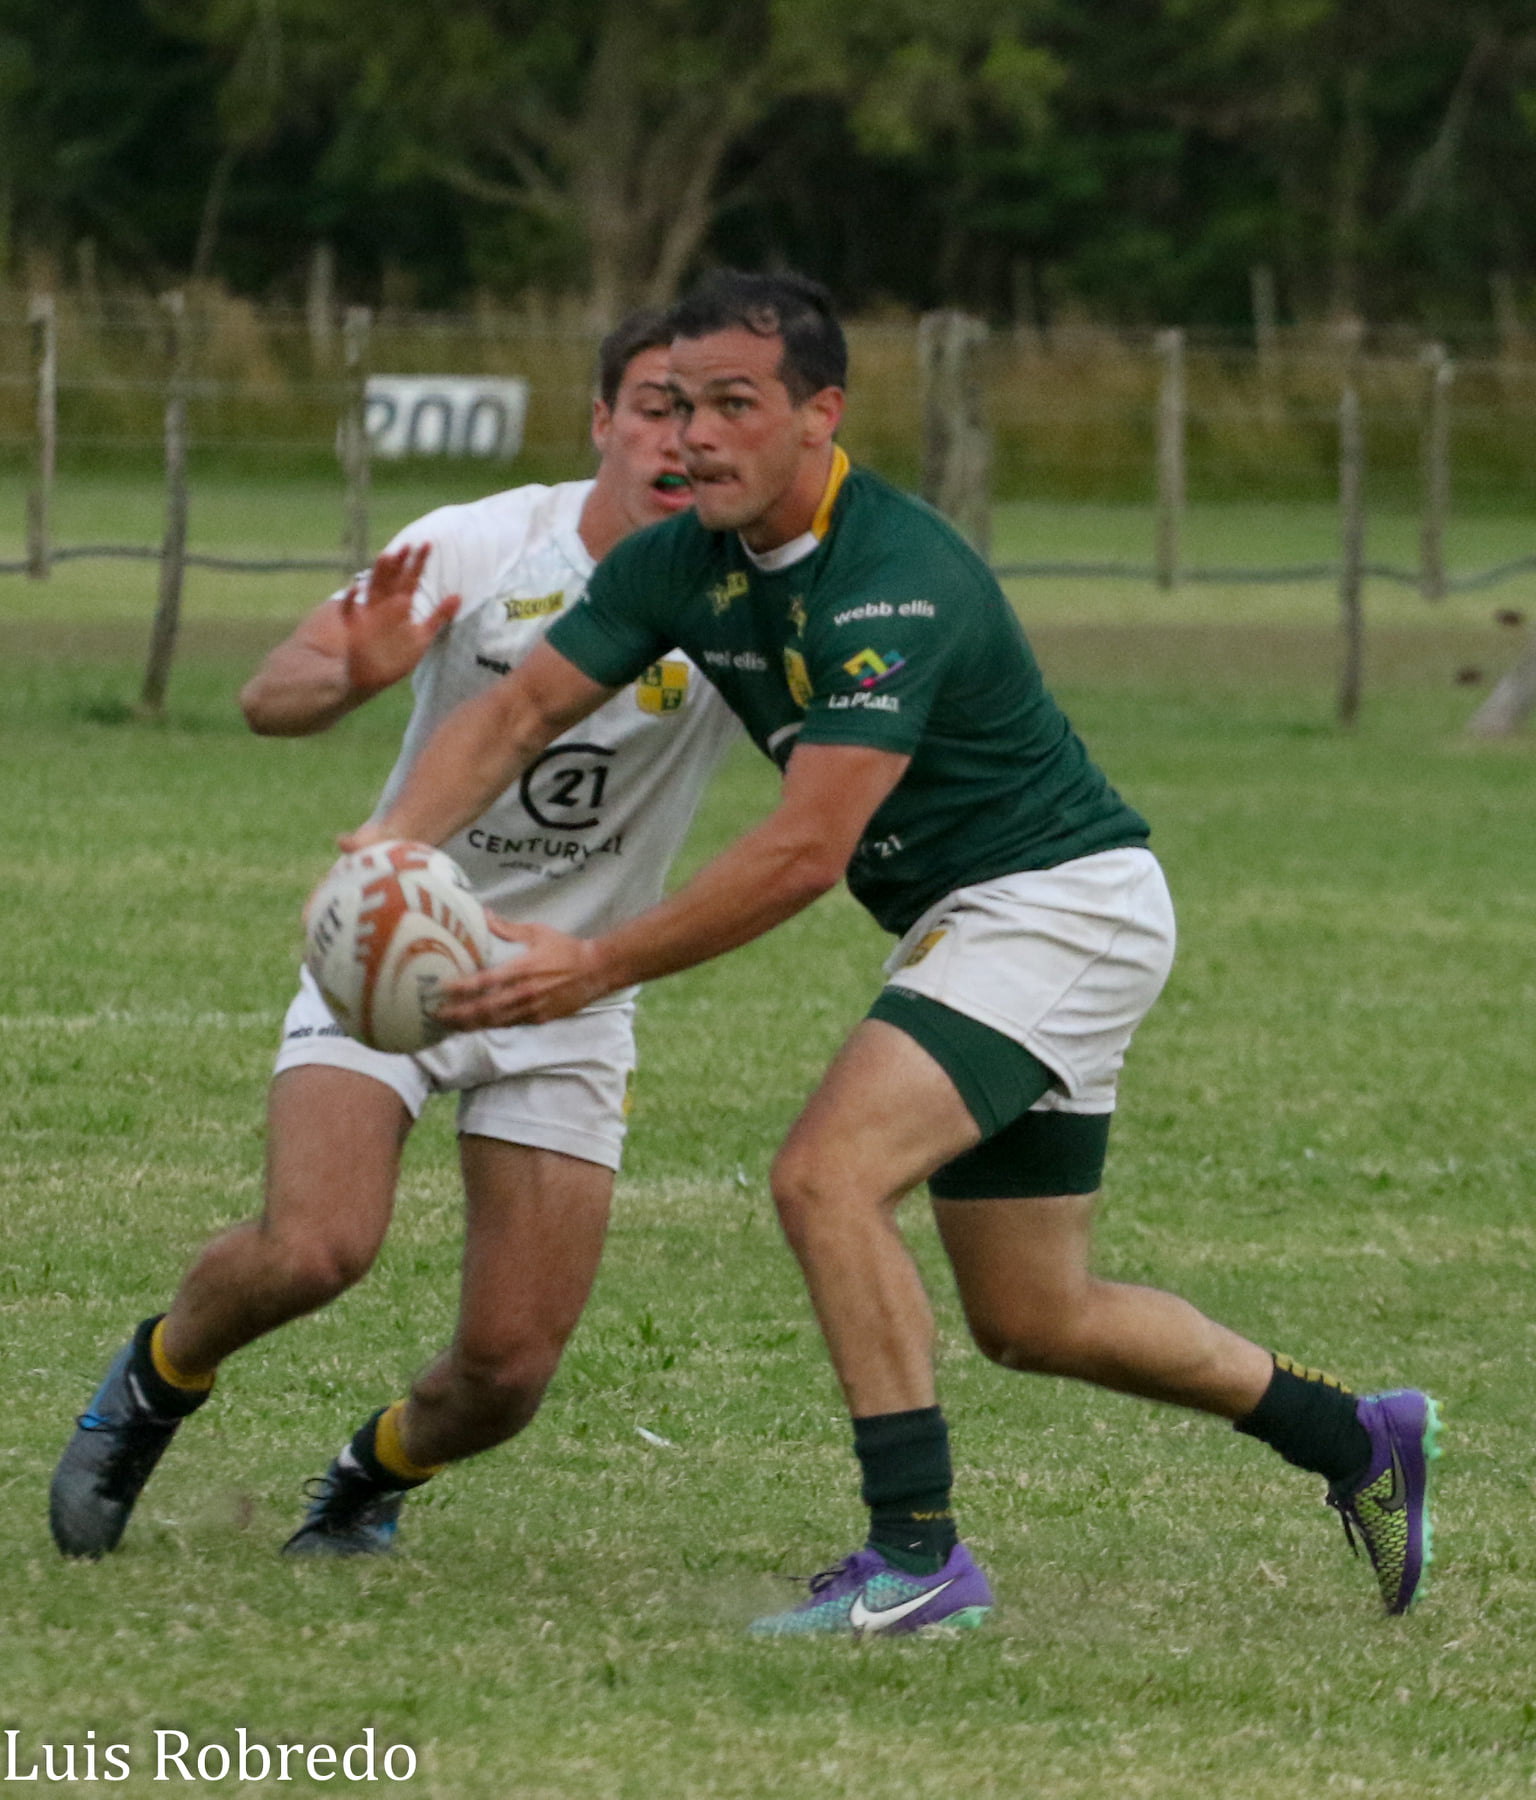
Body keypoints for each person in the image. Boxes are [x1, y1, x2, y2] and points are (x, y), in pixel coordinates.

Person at [332, 271, 1439, 1634]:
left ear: (820, 413)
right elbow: (515, 719)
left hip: (1059, 907)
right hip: (981, 920)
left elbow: (804, 850)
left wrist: (593, 964)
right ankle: (1357, 1438)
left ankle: (917, 1561)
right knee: (1038, 1314)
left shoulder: (891, 578)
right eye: (675, 406)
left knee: (824, 1177)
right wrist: (389, 846)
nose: (696, 439)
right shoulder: (680, 561)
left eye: (737, 404)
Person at [49, 310, 740, 1561]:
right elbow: (273, 694)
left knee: (508, 1372)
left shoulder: (749, 589)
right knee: (316, 1246)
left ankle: (367, 1481)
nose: (677, 438)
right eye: (651, 406)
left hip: (572, 991)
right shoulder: (478, 543)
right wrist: (353, 674)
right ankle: (158, 1377)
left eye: (706, 412)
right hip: (389, 946)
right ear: (600, 422)